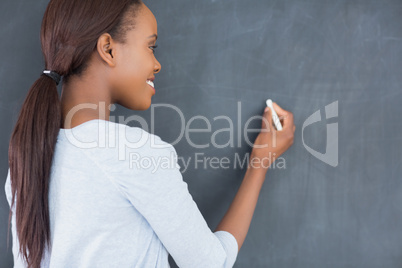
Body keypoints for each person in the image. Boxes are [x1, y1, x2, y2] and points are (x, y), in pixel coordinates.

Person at [4, 0, 296, 267]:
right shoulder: (134, 151)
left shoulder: (28, 157)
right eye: (151, 46)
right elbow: (211, 263)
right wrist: (261, 160)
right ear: (108, 48)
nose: (157, 64)